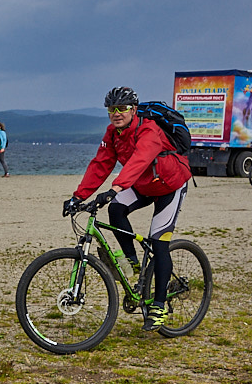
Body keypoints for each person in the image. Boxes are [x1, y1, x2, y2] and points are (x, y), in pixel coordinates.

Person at [63, 87, 192, 332]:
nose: (116, 113)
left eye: (122, 108)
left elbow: (139, 160)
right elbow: (100, 164)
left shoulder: (148, 130)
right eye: (111, 109)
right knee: (116, 209)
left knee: (159, 242)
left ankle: (159, 306)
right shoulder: (113, 133)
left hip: (170, 185)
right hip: (143, 184)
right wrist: (77, 197)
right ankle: (132, 261)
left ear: (134, 109)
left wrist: (116, 186)